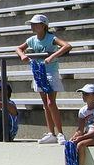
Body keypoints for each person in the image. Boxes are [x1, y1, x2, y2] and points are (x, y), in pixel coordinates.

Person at [15, 14, 72, 145]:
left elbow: (67, 46)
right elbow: (18, 48)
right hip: (38, 73)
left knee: (51, 103)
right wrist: (22, 55)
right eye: (32, 24)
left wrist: (52, 56)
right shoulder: (31, 39)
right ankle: (51, 133)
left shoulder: (51, 38)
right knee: (46, 105)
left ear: (43, 26)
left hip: (50, 72)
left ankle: (60, 133)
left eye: (35, 24)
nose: (32, 26)